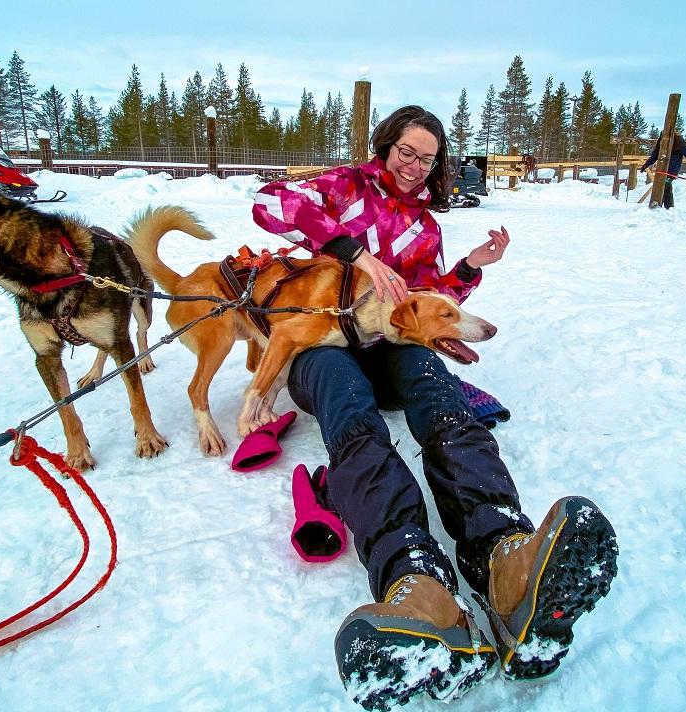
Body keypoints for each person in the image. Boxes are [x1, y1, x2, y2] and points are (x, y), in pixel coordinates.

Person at [252, 105, 618, 709]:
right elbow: (271, 202)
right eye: (406, 152)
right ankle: (415, 581)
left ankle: (505, 556)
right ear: (386, 145)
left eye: (427, 158)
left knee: (432, 381)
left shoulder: (424, 229)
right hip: (320, 341)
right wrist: (353, 251)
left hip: (393, 345)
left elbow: (434, 301)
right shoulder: (345, 187)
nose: (415, 167)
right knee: (347, 403)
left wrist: (470, 267)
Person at [640, 131, 686, 209]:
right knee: (664, 186)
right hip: (662, 168)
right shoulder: (661, 143)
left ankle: (663, 205)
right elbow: (654, 156)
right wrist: (645, 165)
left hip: (672, 169)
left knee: (665, 185)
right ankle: (667, 206)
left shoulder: (678, 142)